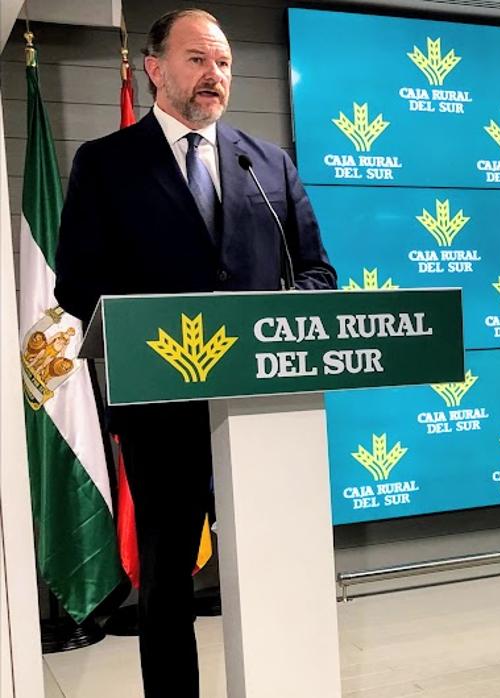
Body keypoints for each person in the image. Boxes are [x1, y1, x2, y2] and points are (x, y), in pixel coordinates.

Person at [53, 9, 336, 696]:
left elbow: (318, 274)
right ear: (154, 68)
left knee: (271, 564)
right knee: (168, 582)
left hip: (261, 406)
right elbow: (77, 283)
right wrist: (154, 339)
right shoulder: (107, 162)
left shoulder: (268, 162)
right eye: (197, 59)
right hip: (161, 410)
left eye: (225, 62)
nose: (215, 75)